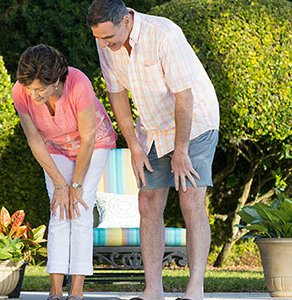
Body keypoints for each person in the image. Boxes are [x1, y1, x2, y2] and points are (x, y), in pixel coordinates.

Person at [87, 1, 220, 300]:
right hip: (153, 125)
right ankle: (153, 291)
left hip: (195, 122)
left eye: (109, 38)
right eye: (100, 39)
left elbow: (184, 97)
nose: (106, 45)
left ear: (126, 20)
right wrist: (134, 145)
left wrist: (181, 150)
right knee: (147, 202)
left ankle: (194, 289)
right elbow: (116, 94)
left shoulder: (163, 33)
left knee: (190, 199)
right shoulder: (106, 42)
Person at [12, 44, 117, 300]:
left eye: (39, 89)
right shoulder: (20, 91)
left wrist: (76, 185)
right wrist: (61, 185)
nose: (33, 95)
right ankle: (55, 291)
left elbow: (89, 137)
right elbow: (34, 141)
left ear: (56, 81)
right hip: (55, 146)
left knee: (79, 209)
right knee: (59, 211)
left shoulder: (78, 83)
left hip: (93, 143)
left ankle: (77, 292)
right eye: (29, 89)